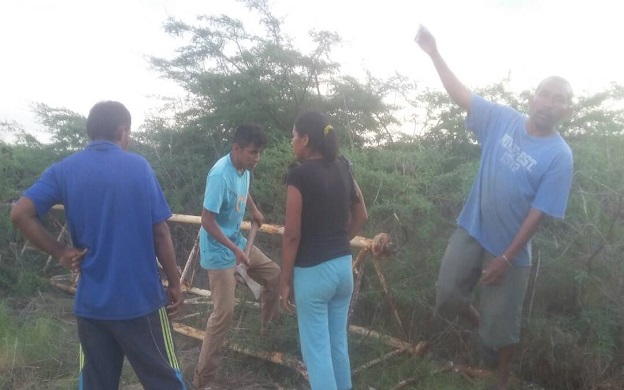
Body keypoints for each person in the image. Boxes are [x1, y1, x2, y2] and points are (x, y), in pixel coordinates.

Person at [415, 26, 574, 390]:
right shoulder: (503, 119)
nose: (550, 102)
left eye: (559, 99)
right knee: (449, 296)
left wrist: (506, 257)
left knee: (503, 330)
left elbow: (540, 213)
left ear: (567, 108)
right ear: (533, 98)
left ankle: (501, 380)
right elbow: (462, 96)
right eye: (545, 94)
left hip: (510, 251)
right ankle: (483, 324)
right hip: (472, 228)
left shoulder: (560, 155)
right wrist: (434, 53)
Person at [10, 101, 186, 389]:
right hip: (141, 302)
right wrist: (175, 283)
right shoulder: (138, 166)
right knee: (166, 382)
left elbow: (19, 213)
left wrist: (60, 252)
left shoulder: (64, 169)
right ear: (122, 130)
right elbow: (161, 233)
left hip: (92, 306)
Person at [281, 110, 368, 390]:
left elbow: (292, 235)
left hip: (313, 275)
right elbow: (362, 214)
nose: (292, 142)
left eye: (293, 137)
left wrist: (285, 280)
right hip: (343, 269)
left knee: (317, 355)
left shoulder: (299, 175)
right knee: (337, 348)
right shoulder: (344, 166)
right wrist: (338, 242)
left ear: (305, 139)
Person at [193, 123, 280, 389]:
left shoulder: (244, 168)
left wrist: (253, 210)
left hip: (239, 242)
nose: (257, 158)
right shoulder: (220, 175)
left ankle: (266, 338)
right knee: (224, 313)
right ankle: (203, 380)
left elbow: (243, 190)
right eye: (253, 152)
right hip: (219, 251)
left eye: (260, 153)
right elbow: (206, 220)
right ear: (237, 149)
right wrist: (235, 252)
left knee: (275, 275)